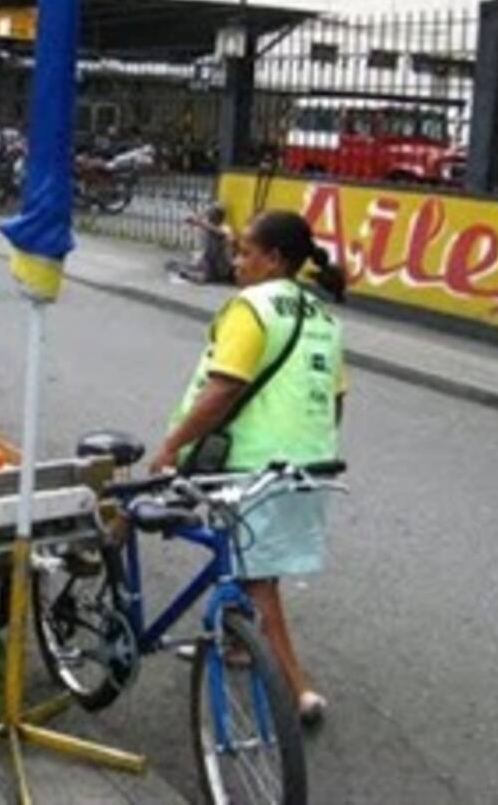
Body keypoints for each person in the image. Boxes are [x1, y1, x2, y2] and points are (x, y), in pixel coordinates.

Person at [150, 210, 347, 725]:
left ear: (274, 259)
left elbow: (225, 387)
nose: (235, 262)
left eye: (245, 252)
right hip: (311, 460)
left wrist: (171, 446)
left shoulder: (251, 306)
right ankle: (237, 641)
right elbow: (335, 400)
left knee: (258, 577)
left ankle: (298, 689)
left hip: (252, 461)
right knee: (252, 557)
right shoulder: (323, 315)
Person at [167, 205, 235, 284]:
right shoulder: (207, 228)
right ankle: (185, 271)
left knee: (202, 275)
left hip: (220, 266)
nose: (210, 217)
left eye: (213, 214)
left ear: (219, 217)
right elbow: (205, 225)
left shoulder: (225, 228)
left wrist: (199, 222)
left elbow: (220, 233)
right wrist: (196, 220)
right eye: (210, 214)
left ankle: (191, 275)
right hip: (208, 262)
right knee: (195, 265)